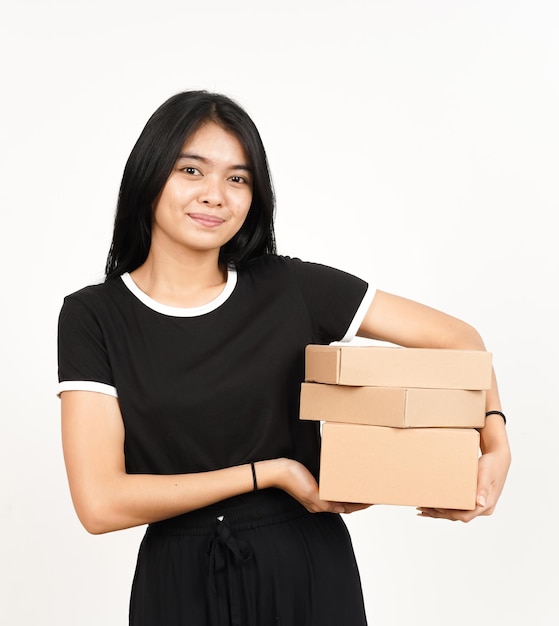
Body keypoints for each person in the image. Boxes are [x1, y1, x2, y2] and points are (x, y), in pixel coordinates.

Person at [57, 90, 511, 626]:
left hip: (305, 569)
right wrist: (267, 473)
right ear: (149, 173)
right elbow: (100, 503)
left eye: (237, 178)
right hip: (178, 582)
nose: (215, 195)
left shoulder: (288, 286)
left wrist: (494, 439)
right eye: (191, 170)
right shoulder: (94, 315)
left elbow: (459, 340)